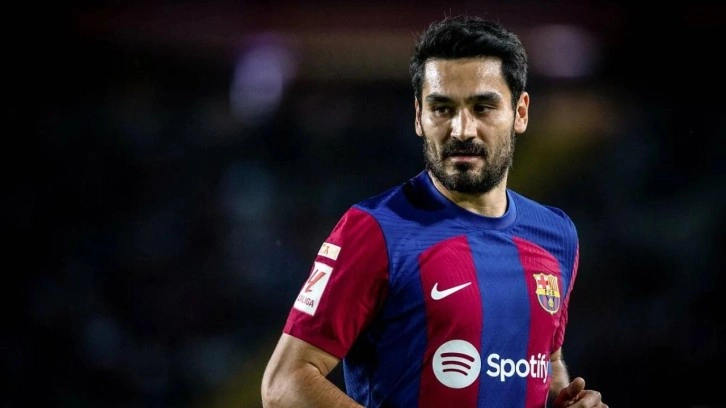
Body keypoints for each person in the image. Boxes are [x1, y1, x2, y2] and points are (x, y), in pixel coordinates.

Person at [260, 14, 607, 408]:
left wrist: (565, 399)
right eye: (442, 108)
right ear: (418, 116)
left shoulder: (556, 234)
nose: (462, 130)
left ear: (520, 112)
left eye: (482, 107)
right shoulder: (373, 229)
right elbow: (284, 383)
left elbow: (546, 359)